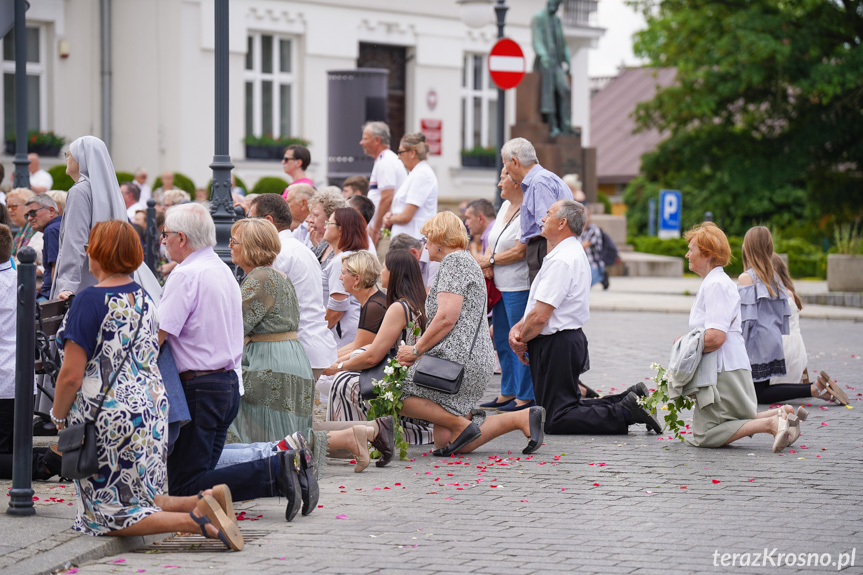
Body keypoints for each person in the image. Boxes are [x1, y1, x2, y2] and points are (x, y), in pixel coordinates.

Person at [51, 220, 243, 548]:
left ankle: (196, 520)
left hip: (108, 416)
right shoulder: (143, 297)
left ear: (98, 253)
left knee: (108, 513)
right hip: (149, 408)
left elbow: (72, 374)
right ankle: (203, 499)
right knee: (142, 495)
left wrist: (58, 417)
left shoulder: (89, 301)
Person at [158, 203, 312, 519]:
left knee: (185, 485)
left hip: (202, 384)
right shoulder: (220, 268)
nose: (163, 241)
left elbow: (159, 333)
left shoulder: (186, 274)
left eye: (165, 235)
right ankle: (278, 467)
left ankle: (275, 469)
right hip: (223, 382)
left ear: (182, 238)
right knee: (200, 473)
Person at [394, 211, 546, 457]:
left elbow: (446, 317)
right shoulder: (464, 262)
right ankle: (521, 418)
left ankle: (462, 425)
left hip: (457, 359)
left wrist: (415, 350)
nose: (425, 245)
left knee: (396, 391)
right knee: (446, 442)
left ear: (440, 240)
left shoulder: (455, 263)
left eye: (427, 239)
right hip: (467, 357)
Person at [509, 200, 662, 436]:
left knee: (556, 418)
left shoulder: (562, 258)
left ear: (562, 223)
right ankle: (628, 400)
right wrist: (521, 330)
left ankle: (626, 412)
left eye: (548, 214)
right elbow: (538, 307)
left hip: (557, 342)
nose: (542, 219)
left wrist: (522, 340)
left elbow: (540, 317)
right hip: (563, 340)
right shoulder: (568, 251)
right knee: (563, 407)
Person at [681, 222, 805, 452]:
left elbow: (717, 337)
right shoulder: (717, 281)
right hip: (730, 364)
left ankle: (771, 423)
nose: (687, 254)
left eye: (692, 249)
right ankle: (781, 414)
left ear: (707, 254)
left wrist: (683, 347)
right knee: (734, 416)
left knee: (706, 434)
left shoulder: (716, 284)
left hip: (723, 367)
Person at [327, 250, 434, 447]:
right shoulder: (418, 302)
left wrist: (339, 366)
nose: (380, 272)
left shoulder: (398, 307)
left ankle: (356, 439)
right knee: (345, 377)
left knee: (344, 381)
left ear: (394, 274)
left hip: (402, 377)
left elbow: (372, 355)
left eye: (384, 267)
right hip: (415, 372)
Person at [739, 227, 849, 406]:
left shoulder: (747, 278)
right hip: (772, 338)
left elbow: (746, 319)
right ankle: (813, 389)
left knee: (758, 394)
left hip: (756, 342)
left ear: (748, 247)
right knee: (760, 390)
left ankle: (813, 389)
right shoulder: (772, 277)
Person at [52, 136, 160, 301]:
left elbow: (74, 241)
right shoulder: (110, 190)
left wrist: (67, 285)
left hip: (82, 284)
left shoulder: (79, 191)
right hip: (111, 280)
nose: (67, 159)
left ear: (82, 157)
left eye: (69, 154)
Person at [248, 194, 337, 383]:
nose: (247, 227)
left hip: (297, 347)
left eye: (250, 220)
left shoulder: (278, 252)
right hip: (311, 343)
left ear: (268, 221)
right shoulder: (298, 248)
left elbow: (262, 306)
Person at [0, 224, 63, 481]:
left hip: (4, 384)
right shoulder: (19, 278)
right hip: (24, 383)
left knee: (8, 449)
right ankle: (49, 458)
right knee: (15, 447)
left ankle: (45, 464)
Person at [477, 168, 533, 412]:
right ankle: (508, 391)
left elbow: (520, 251)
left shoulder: (527, 210)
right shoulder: (503, 208)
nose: (499, 183)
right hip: (498, 284)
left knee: (518, 339)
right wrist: (488, 262)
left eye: (503, 178)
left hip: (517, 284)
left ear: (517, 182)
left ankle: (524, 397)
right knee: (500, 339)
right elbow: (493, 242)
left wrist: (490, 262)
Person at [501, 137, 571, 283]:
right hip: (545, 249)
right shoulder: (542, 179)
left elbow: (550, 229)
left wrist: (550, 266)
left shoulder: (539, 183)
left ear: (515, 162)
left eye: (505, 164)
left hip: (543, 249)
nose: (505, 171)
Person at [322, 207, 368, 348]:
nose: (326, 227)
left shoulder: (340, 261)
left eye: (329, 224)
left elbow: (337, 309)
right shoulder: (345, 257)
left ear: (341, 229)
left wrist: (319, 331)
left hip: (340, 335)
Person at [383, 133, 438, 240]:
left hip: (413, 240)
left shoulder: (422, 174)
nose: (398, 157)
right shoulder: (415, 173)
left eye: (400, 152)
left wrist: (389, 219)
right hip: (408, 239)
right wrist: (391, 215)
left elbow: (406, 216)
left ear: (412, 153)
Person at [531, 0, 574, 137]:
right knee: (548, 92)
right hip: (545, 62)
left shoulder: (557, 20)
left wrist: (567, 59)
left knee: (565, 89)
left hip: (557, 63)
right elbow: (536, 39)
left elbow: (562, 42)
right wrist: (543, 55)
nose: (553, 5)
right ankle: (552, 125)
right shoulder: (538, 17)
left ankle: (566, 125)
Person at [359, 121, 407, 246]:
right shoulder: (385, 160)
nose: (361, 143)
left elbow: (387, 198)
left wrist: (375, 230)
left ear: (377, 140)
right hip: (384, 229)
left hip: (384, 233)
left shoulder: (385, 162)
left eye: (365, 139)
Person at [24, 194, 61, 300]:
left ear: (51, 211)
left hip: (53, 297)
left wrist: (54, 299)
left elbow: (56, 268)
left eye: (32, 213)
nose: (30, 218)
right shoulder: (60, 225)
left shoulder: (51, 230)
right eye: (27, 215)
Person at [306, 187, 347, 264]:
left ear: (331, 216)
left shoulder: (343, 250)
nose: (310, 220)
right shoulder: (326, 243)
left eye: (316, 215)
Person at [7, 188, 44, 266]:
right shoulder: (22, 229)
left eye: (14, 206)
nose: (10, 210)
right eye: (8, 207)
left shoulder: (38, 229)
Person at [579, 206, 605, 287]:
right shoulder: (578, 230)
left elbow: (583, 246)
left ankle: (602, 277)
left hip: (593, 264)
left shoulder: (594, 230)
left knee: (584, 286)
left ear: (589, 217)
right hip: (581, 264)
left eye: (586, 215)